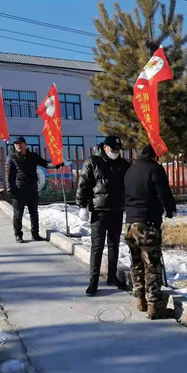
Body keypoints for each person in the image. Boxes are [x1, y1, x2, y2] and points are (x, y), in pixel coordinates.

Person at [124, 144, 177, 320]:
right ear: (155, 156)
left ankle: (140, 299)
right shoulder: (155, 169)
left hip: (129, 224)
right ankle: (154, 306)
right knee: (152, 265)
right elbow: (163, 193)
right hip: (147, 223)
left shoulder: (130, 170)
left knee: (136, 262)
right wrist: (170, 209)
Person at [76, 135, 130, 297]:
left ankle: (112, 276)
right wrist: (82, 205)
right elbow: (83, 185)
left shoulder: (123, 164)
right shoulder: (93, 162)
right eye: (113, 149)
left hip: (117, 209)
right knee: (97, 246)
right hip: (99, 210)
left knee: (114, 245)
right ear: (105, 147)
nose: (116, 152)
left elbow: (129, 186)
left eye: (118, 150)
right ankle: (93, 281)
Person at [6, 136, 61, 244]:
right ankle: (18, 235)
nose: (18, 145)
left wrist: (57, 164)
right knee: (18, 214)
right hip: (19, 189)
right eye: (16, 144)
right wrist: (10, 189)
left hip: (32, 188)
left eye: (20, 143)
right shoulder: (11, 157)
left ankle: (35, 234)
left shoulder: (33, 156)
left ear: (25, 144)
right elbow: (9, 175)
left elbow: (46, 164)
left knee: (34, 213)